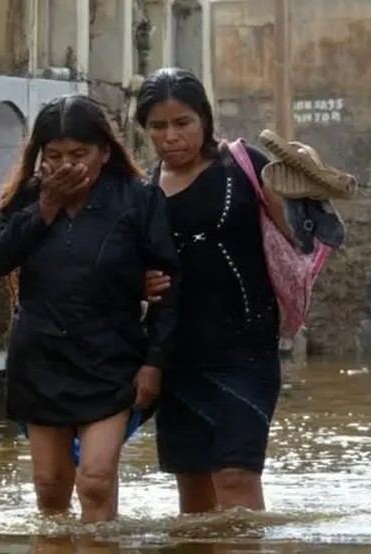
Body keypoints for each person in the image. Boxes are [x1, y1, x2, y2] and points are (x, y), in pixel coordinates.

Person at [0, 94, 180, 523]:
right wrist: (45, 206)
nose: (67, 165)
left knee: (97, 481)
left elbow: (168, 288)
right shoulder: (30, 198)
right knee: (49, 490)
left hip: (111, 357)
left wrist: (154, 364)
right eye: (55, 155)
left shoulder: (138, 199)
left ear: (104, 152)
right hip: (41, 358)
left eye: (79, 154)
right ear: (40, 158)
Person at [136, 67, 286, 513]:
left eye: (182, 123)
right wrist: (135, 280)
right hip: (175, 354)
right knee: (194, 495)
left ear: (204, 118)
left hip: (247, 349)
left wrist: (304, 183)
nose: (171, 137)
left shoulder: (245, 166)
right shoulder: (140, 190)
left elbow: (301, 238)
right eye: (157, 127)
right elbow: (115, 262)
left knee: (237, 477)